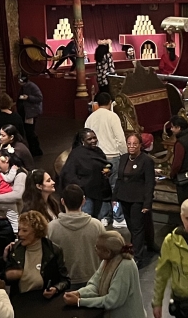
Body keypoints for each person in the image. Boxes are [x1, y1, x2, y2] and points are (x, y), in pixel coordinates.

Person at [48, 184, 106, 286]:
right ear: (83, 201)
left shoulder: (50, 228)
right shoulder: (97, 225)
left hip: (62, 283)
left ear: (62, 201)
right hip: (93, 280)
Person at [85, 91, 128, 227]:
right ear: (110, 103)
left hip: (96, 158)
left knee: (102, 188)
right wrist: (125, 155)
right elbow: (120, 139)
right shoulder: (112, 116)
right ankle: (118, 217)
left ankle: (104, 217)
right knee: (115, 189)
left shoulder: (90, 118)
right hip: (112, 157)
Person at [4, 210, 70, 298]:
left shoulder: (53, 250)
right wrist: (7, 275)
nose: (19, 234)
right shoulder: (14, 249)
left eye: (24, 230)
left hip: (44, 302)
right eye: (19, 230)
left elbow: (65, 280)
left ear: (37, 232)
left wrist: (55, 288)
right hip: (19, 302)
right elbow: (6, 280)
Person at [114, 134, 157, 267]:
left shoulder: (146, 161)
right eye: (129, 144)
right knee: (131, 226)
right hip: (124, 197)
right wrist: (114, 197)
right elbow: (119, 179)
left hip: (138, 199)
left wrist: (147, 203)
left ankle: (137, 257)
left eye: (134, 144)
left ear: (140, 145)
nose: (131, 147)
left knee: (138, 228)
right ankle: (135, 247)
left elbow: (150, 183)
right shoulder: (124, 158)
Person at [60, 129, 114, 218]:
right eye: (89, 139)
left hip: (100, 193)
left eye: (94, 138)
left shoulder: (98, 151)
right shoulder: (76, 154)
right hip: (86, 195)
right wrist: (82, 186)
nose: (93, 141)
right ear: (82, 141)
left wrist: (106, 173)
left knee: (100, 220)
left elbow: (103, 165)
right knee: (86, 219)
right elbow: (69, 174)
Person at [167, 115, 188, 205]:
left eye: (172, 127)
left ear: (178, 128)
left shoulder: (180, 143)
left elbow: (177, 163)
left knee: (185, 205)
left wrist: (172, 174)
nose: (171, 129)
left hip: (184, 179)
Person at [17, 74, 44, 156]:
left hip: (30, 113)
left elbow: (40, 98)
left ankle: (36, 150)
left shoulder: (32, 86)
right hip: (25, 112)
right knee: (28, 131)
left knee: (30, 132)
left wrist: (28, 97)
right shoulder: (23, 87)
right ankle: (32, 149)